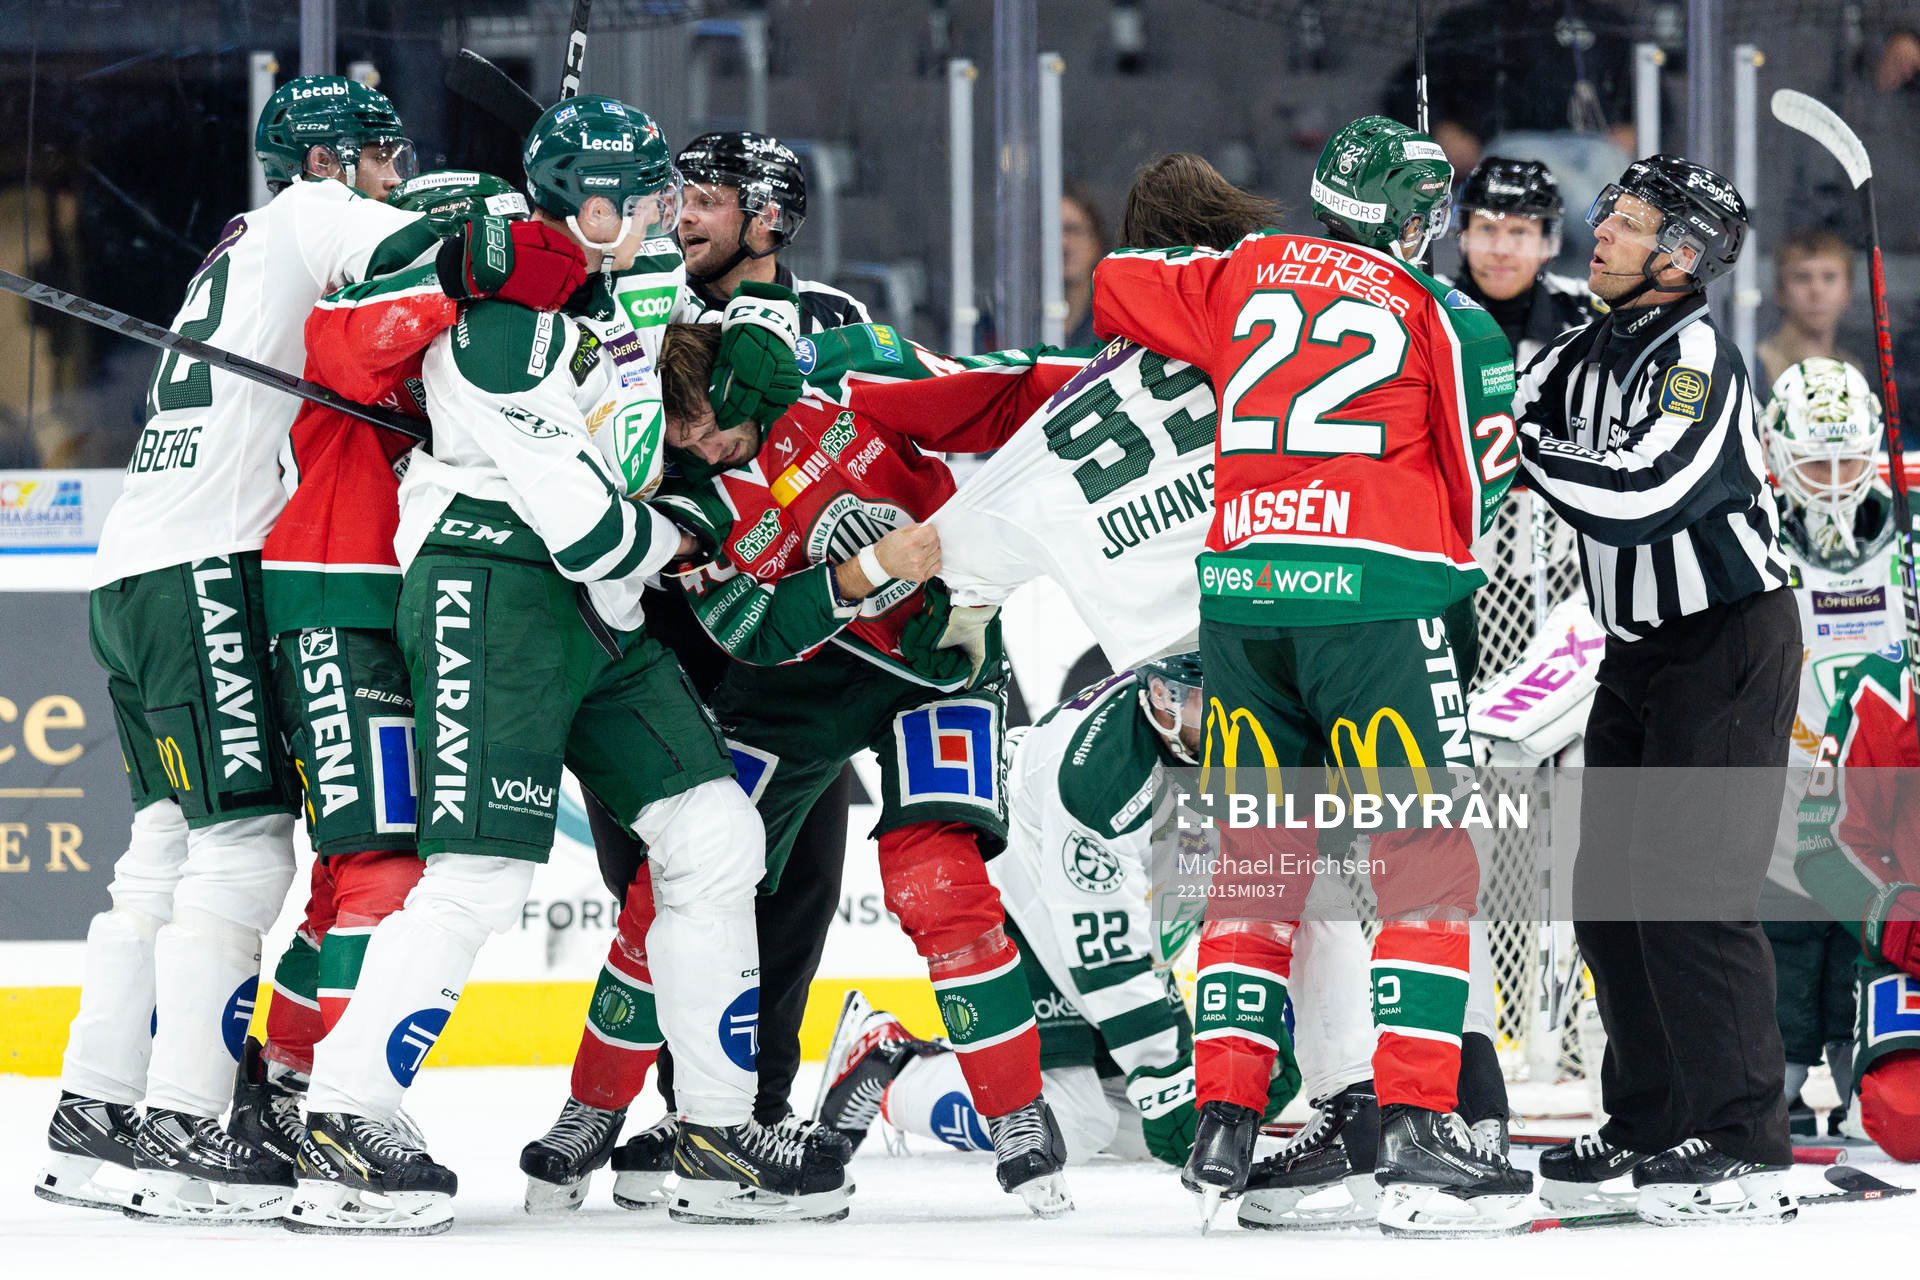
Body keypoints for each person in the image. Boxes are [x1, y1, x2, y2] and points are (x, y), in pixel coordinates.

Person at [288, 96, 840, 1235]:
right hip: (495, 588)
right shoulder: (502, 332)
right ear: (593, 207)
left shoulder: (608, 301)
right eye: (643, 200)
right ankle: (344, 1109)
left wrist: (704, 455)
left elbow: (726, 363)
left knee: (712, 831)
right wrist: (686, 529)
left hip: (595, 608)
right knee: (482, 873)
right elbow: (592, 526)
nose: (661, 219)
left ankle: (718, 1126)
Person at [539, 319, 1086, 1219]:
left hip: (942, 664)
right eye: (685, 441)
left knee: (934, 878)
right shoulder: (684, 494)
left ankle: (1020, 1114)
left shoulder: (849, 367)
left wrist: (1142, 376)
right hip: (798, 690)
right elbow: (753, 628)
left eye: (711, 428)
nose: (705, 450)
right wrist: (869, 569)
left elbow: (1007, 393)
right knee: (680, 877)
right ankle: (589, 1112)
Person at [1090, 117, 1529, 1236]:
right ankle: (1425, 1126)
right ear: (1417, 218)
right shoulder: (1448, 313)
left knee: (1255, 855)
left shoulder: (1243, 271)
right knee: (1425, 856)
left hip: (1243, 601)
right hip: (1374, 606)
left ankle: (1228, 1114)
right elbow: (1481, 489)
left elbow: (1118, 278)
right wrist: (1442, 599)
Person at [36, 74, 444, 1224]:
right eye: (377, 155)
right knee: (242, 851)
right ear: (324, 163)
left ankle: (98, 1106)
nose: (390, 176)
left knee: (162, 849)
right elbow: (434, 253)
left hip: (130, 568)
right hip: (204, 569)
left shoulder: (242, 249)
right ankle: (187, 1123)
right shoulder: (310, 218)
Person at [546, 130, 879, 1203]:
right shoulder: (636, 310)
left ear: (770, 217)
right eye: (674, 196)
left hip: (787, 659)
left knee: (790, 886)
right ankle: (688, 1109)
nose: (681, 214)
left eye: (706, 198)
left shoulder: (831, 319)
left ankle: (749, 1113)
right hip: (649, 638)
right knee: (655, 885)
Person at [228, 171, 585, 1164]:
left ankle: (285, 1081)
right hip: (339, 599)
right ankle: (336, 1107)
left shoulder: (477, 334)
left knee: (358, 873)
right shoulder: (379, 294)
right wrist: (464, 274)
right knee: (381, 865)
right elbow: (343, 348)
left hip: (408, 600)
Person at [1512, 155, 1800, 1225]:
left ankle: (1744, 1136)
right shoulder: (1583, 348)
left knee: (1692, 889)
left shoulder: (1695, 360)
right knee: (1609, 900)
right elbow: (1509, 414)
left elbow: (1643, 490)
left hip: (1727, 640)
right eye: (1611, 213)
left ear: (1678, 256)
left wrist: (1525, 453)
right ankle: (1651, 1116)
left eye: (1628, 222)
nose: (1602, 231)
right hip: (1637, 648)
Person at [1758, 357, 1904, 1138]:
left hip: (1878, 829)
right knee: (1776, 996)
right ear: (1779, 456)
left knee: (1865, 982)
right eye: (1817, 461)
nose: (1837, 479)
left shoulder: (1906, 557)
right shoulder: (1753, 548)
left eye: (1850, 458)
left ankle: (1862, 1086)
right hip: (1779, 811)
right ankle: (1773, 1088)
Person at [1794, 651, 1920, 1162]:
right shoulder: (1886, 685)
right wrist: (1897, 924)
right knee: (1905, 1115)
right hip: (1913, 948)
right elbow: (1824, 843)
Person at [674, 131, 870, 328]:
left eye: (707, 202)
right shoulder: (661, 314)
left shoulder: (839, 315)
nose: (684, 216)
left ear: (765, 217)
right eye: (682, 202)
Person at [1444, 157, 1602, 367]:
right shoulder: (1426, 304)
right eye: (1487, 228)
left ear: (1548, 244)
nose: (1501, 249)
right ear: (1463, 236)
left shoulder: (1591, 313)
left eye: (1519, 232)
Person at [1757, 228, 1868, 389]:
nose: (1817, 290)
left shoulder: (1852, 370)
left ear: (1848, 290)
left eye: (1829, 277)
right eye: (1802, 277)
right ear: (1780, 290)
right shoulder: (1755, 365)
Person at [1061, 185, 1110, 347]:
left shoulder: (1111, 326)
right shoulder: (1016, 323)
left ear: (1096, 243)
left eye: (1073, 230)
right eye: (1053, 232)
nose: (1063, 244)